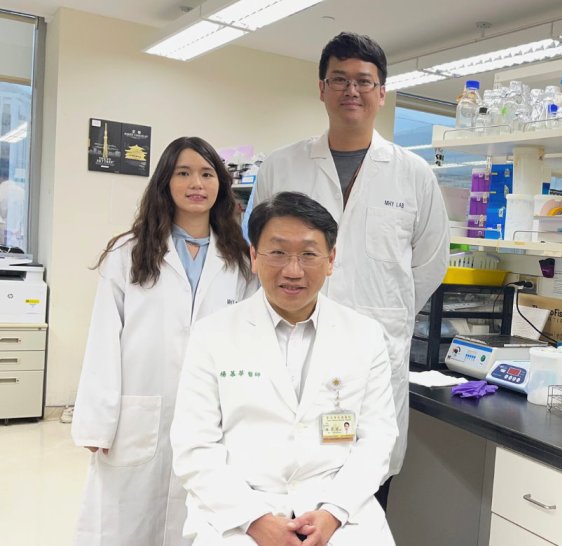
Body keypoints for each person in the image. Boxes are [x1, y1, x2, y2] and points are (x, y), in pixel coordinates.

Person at [243, 31, 450, 507]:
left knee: (365, 488)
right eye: (339, 79)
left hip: (374, 356)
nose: (350, 91)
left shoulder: (414, 174)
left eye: (363, 81)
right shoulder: (281, 165)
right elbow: (257, 249)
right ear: (321, 89)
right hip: (287, 348)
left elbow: (431, 262)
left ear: (381, 93)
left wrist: (386, 314)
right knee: (282, 486)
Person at [171, 191, 398, 546]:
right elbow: (194, 445)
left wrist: (332, 513)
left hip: (337, 510)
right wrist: (255, 520)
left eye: (309, 254)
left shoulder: (365, 336)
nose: (293, 271)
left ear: (330, 259)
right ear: (254, 256)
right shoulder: (212, 335)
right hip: (240, 508)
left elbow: (378, 440)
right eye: (277, 253)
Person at [72, 136, 258, 546]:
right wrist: (97, 423)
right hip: (138, 412)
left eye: (207, 174)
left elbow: (249, 340)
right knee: (127, 521)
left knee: (196, 523)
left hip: (214, 414)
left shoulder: (241, 261)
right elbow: (103, 339)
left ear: (221, 186)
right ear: (165, 183)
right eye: (184, 173)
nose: (197, 183)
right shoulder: (129, 253)